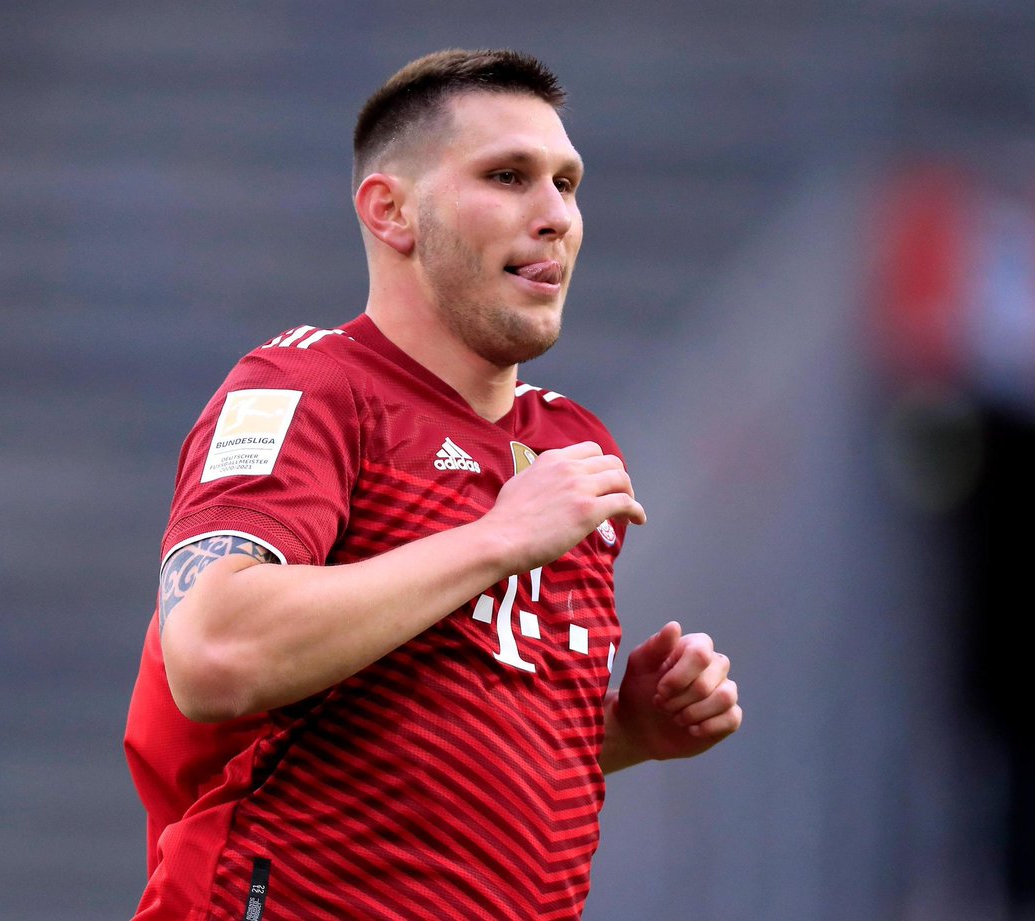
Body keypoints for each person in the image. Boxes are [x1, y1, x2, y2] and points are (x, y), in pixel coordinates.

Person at [124, 48, 742, 921]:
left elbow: (428, 733)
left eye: (567, 184)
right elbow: (214, 652)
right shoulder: (306, 388)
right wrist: (497, 539)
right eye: (508, 176)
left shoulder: (569, 443)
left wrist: (628, 731)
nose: (556, 216)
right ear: (392, 211)